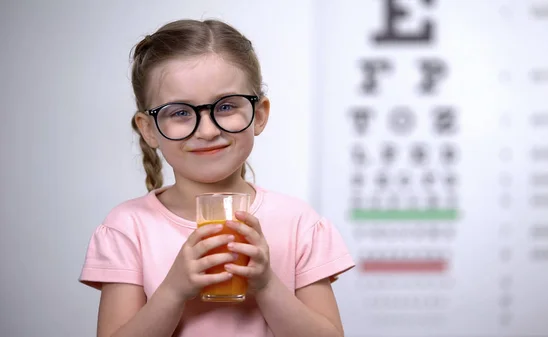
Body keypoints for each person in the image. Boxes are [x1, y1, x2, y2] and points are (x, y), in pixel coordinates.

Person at [78, 18, 355, 337]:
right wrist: (172, 291)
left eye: (225, 106)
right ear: (149, 129)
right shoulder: (127, 228)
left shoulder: (298, 223)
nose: (208, 130)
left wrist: (266, 285)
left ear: (260, 114)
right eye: (180, 112)